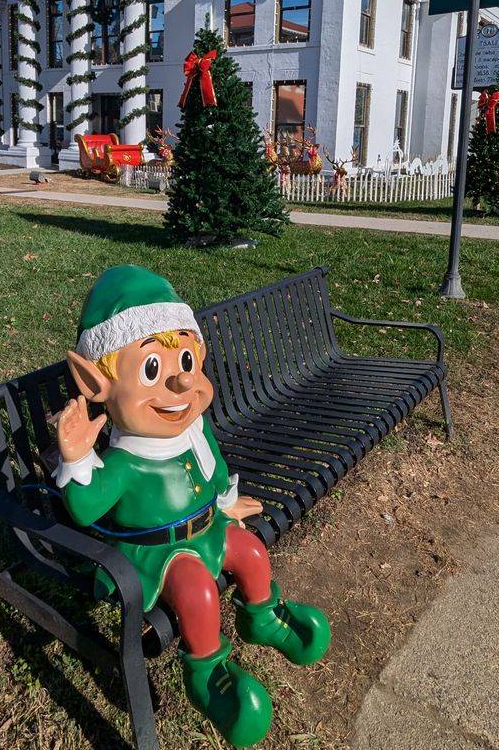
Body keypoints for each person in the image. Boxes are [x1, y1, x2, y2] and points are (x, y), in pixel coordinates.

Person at [56, 265, 330, 747]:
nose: (182, 384)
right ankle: (207, 674)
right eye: (152, 370)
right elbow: (84, 508)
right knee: (199, 591)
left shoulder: (192, 434)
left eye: (186, 359)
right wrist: (77, 457)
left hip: (207, 529)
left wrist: (224, 502)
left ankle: (263, 618)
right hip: (158, 552)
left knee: (251, 552)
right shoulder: (126, 461)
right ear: (93, 383)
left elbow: (214, 469)